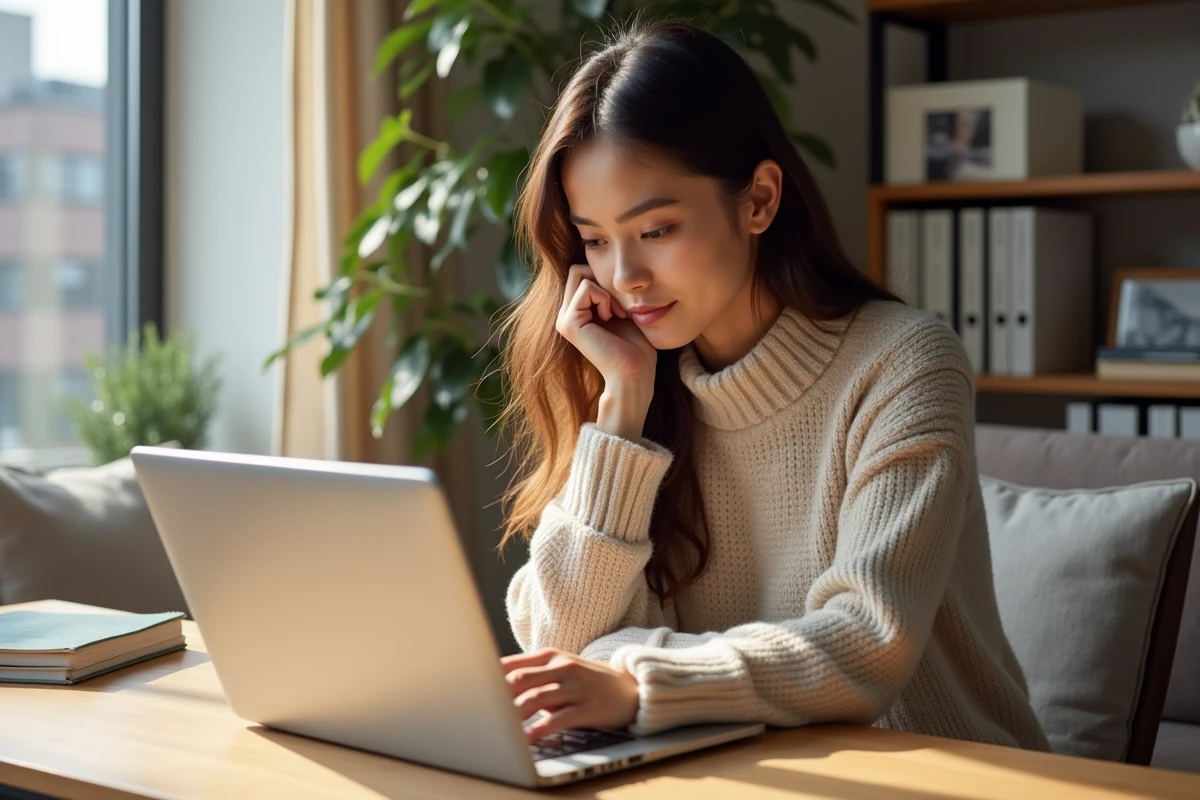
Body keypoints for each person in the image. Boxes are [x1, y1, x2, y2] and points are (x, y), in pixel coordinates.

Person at [494, 19, 1050, 753]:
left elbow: (867, 642)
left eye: (655, 229)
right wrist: (620, 408)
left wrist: (639, 680)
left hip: (941, 768)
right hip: (733, 763)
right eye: (595, 239)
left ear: (758, 199)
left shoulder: (905, 363)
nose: (622, 277)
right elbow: (558, 637)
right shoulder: (642, 384)